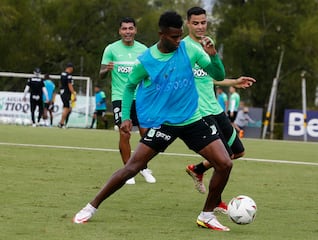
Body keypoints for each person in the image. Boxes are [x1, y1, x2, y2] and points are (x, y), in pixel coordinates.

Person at [73, 10, 233, 231]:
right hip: (164, 122)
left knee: (225, 163)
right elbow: (129, 87)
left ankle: (206, 215)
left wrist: (214, 56)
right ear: (161, 34)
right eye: (174, 37)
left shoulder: (191, 50)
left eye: (180, 36)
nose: (179, 41)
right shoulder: (147, 60)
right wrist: (127, 116)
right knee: (132, 168)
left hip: (192, 119)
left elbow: (217, 74)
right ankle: (91, 207)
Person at [183, 7, 255, 211]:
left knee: (238, 152)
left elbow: (210, 76)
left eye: (203, 22)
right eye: (195, 23)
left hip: (215, 108)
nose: (200, 26)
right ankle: (215, 203)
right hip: (199, 112)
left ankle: (197, 169)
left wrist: (235, 81)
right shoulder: (183, 47)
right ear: (188, 23)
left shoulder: (209, 44)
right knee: (223, 159)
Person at [99, 17, 155, 184]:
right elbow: (101, 74)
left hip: (141, 97)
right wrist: (106, 70)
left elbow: (150, 73)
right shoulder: (111, 49)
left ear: (135, 30)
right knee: (125, 132)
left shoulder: (143, 50)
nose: (128, 32)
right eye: (124, 29)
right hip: (120, 97)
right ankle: (128, 171)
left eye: (131, 28)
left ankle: (143, 167)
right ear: (120, 31)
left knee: (147, 134)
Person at [58, 62, 76, 128]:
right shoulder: (69, 76)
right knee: (67, 108)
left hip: (62, 92)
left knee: (66, 108)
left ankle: (61, 122)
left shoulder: (62, 74)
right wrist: (74, 94)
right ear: (70, 68)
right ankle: (61, 123)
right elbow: (70, 85)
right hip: (66, 93)